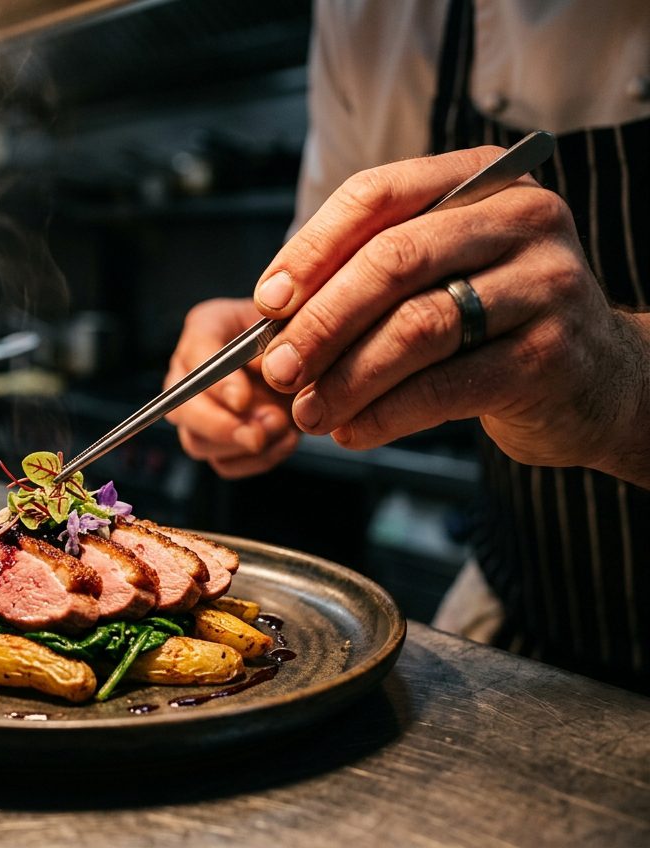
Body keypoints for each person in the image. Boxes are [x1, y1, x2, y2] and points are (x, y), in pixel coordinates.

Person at [164, 0, 650, 690]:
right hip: (527, 611)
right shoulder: (369, 15)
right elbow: (326, 291)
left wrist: (627, 386)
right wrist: (265, 355)